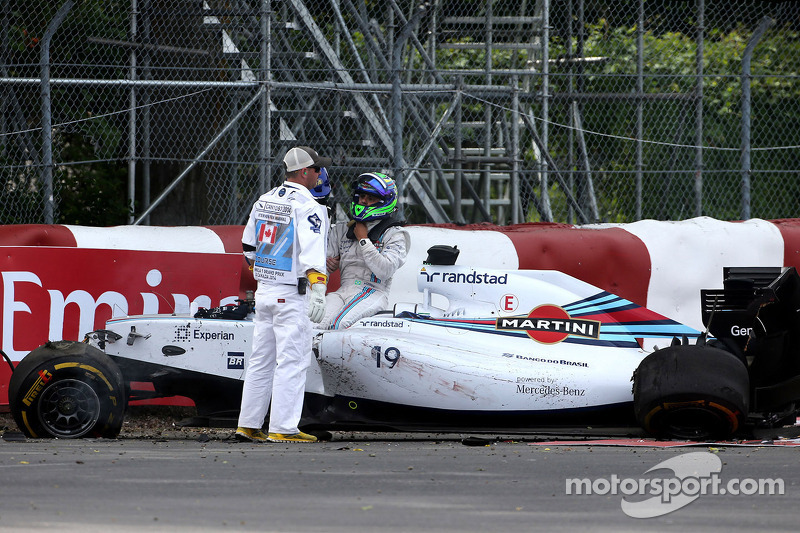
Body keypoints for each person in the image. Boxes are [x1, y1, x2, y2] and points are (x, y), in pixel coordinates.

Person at [235, 146, 331, 443]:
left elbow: (248, 246)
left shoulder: (264, 199)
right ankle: (283, 428)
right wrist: (318, 287)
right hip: (292, 294)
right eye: (316, 169)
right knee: (292, 361)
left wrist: (265, 273)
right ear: (304, 172)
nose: (319, 174)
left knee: (261, 360)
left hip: (264, 292)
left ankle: (248, 424)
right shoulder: (309, 206)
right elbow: (314, 252)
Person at [320, 172, 410, 330]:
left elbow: (385, 270)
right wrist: (319, 290)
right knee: (314, 323)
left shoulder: (395, 234)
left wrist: (363, 240)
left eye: (370, 198)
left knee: (339, 325)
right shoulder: (341, 230)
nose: (363, 201)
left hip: (373, 291)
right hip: (343, 290)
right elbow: (323, 267)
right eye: (361, 196)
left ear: (384, 202)